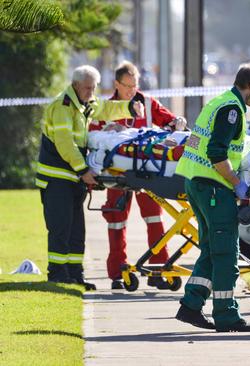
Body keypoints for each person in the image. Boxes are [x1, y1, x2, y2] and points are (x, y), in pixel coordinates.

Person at [174, 63, 250, 332]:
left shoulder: (219, 102)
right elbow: (217, 152)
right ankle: (227, 315)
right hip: (214, 187)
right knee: (227, 252)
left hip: (197, 182)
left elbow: (200, 142)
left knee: (213, 250)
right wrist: (237, 183)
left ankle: (191, 306)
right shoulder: (232, 109)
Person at [35, 65, 144, 289]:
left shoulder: (86, 102)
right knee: (60, 228)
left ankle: (75, 274)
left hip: (72, 177)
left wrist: (130, 108)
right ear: (75, 85)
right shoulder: (62, 106)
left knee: (76, 230)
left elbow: (105, 109)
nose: (90, 92)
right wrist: (84, 170)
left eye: (93, 88)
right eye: (87, 88)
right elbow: (65, 143)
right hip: (57, 178)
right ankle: (57, 274)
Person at [89, 61, 187, 290]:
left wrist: (178, 122)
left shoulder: (148, 103)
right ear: (117, 84)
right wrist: (108, 131)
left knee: (154, 218)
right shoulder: (105, 108)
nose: (133, 90)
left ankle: (158, 269)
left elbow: (170, 121)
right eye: (128, 86)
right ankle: (116, 272)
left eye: (135, 85)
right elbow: (92, 136)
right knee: (116, 220)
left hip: (148, 170)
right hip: (118, 171)